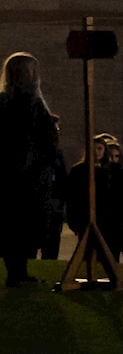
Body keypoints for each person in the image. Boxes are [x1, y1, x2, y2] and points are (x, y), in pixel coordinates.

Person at [0, 53, 63, 286]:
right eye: (28, 71)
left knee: (27, 230)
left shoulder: (33, 103)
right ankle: (17, 274)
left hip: (33, 176)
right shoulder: (13, 103)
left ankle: (20, 273)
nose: (34, 76)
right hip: (20, 178)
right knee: (17, 228)